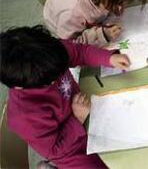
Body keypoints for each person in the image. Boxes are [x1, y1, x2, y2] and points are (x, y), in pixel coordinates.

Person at [0, 25, 131, 168]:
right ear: (19, 86)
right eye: (49, 81)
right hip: (71, 150)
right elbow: (55, 150)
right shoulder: (24, 116)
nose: (57, 78)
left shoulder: (49, 52)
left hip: (88, 111)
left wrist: (109, 58)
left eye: (60, 71)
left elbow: (79, 52)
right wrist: (77, 118)